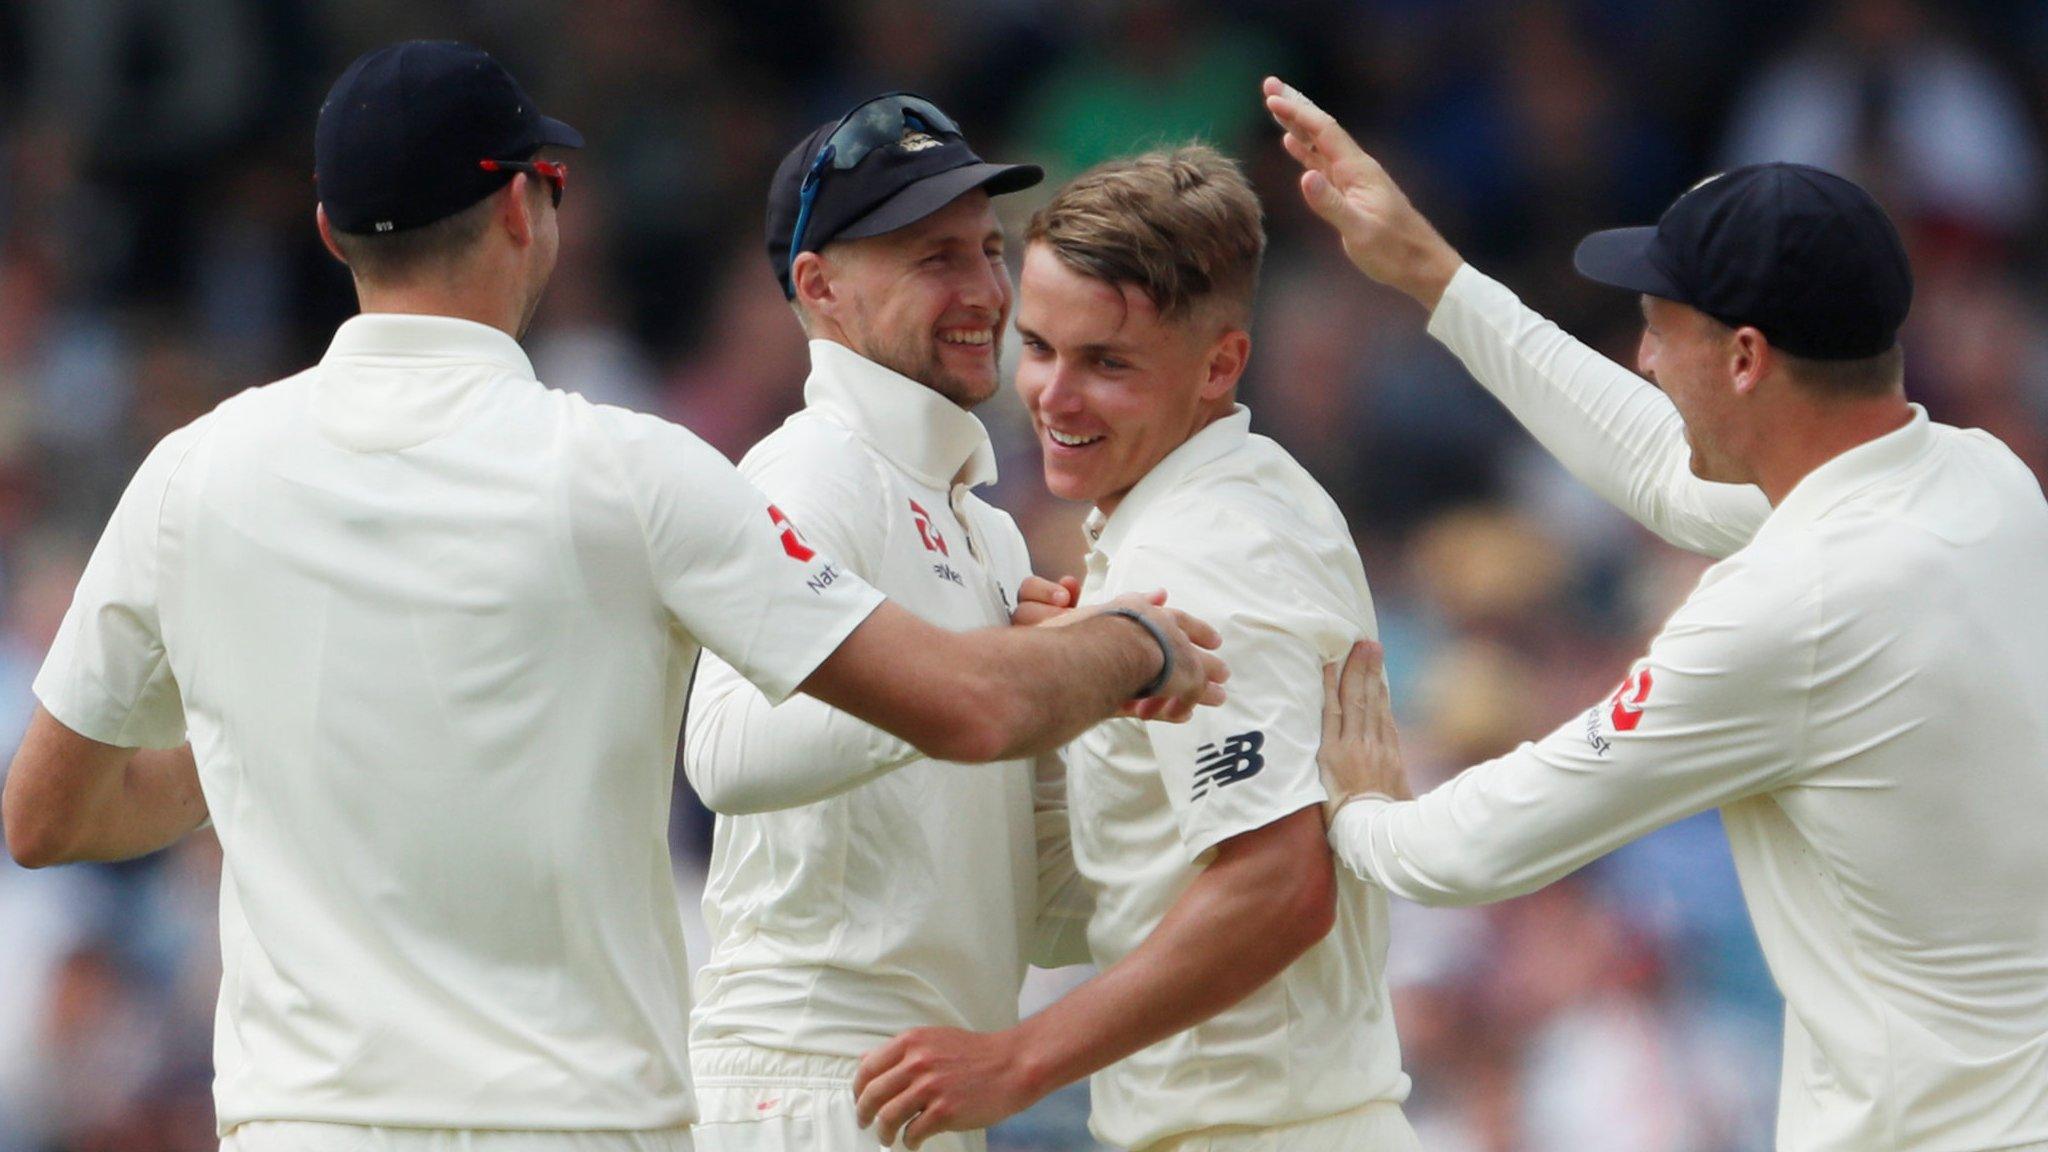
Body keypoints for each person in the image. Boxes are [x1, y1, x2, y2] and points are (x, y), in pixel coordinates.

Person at [0, 41, 1232, 1152]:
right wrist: (1135, 644)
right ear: (533, 207)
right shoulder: (627, 473)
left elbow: (46, 818)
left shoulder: (193, 473)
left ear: (330, 231)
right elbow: (960, 709)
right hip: (584, 1121)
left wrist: (275, 734)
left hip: (298, 1127)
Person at [1266, 77, 2048, 1152]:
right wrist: (1434, 277)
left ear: (1742, 358)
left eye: (1655, 330)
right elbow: (1659, 465)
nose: (1639, 356)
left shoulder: (1789, 606)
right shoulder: (1981, 481)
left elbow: (1477, 849)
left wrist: (1359, 812)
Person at [853, 146, 1418, 1152]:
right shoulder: (1240, 493)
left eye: (1106, 363)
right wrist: (1083, 680)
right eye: (1037, 346)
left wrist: (1014, 1060)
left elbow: (1278, 884)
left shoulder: (1207, 550)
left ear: (1218, 364)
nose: (1051, 398)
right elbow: (1144, 876)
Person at [681, 93, 1094, 1152]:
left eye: (987, 252)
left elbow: (1043, 916)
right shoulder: (807, 471)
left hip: (922, 1094)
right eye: (933, 260)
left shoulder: (988, 536)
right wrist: (992, 672)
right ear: (818, 288)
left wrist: (1096, 714)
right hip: (812, 1084)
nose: (984, 293)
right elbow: (723, 755)